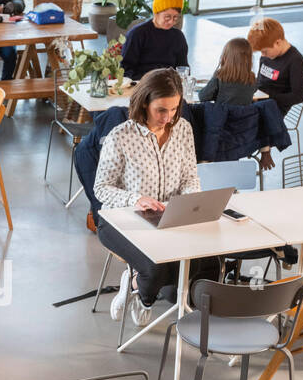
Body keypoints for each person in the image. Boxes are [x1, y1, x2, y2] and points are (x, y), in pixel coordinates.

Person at [93, 67, 219, 327]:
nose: (168, 117)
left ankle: (141, 285)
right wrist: (136, 199)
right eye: (161, 109)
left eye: (174, 109)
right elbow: (101, 188)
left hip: (169, 218)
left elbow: (190, 177)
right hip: (121, 220)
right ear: (144, 102)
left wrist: (190, 203)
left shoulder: (182, 129)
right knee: (156, 266)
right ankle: (142, 295)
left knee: (204, 257)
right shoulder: (121, 137)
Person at [120, 0, 189, 81]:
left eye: (175, 18)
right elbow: (125, 69)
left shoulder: (178, 36)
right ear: (156, 13)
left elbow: (183, 68)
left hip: (169, 85)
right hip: (142, 84)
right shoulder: (138, 34)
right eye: (167, 17)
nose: (171, 22)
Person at [247, 17, 303, 117]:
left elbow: (299, 96)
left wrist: (268, 97)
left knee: (237, 121)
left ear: (277, 43)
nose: (263, 55)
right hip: (257, 100)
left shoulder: (296, 62)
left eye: (265, 51)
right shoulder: (267, 56)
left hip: (273, 110)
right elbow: (260, 80)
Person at [198, 37, 258, 107]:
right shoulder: (252, 78)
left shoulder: (220, 75)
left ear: (226, 56)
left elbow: (203, 97)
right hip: (244, 116)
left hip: (222, 116)